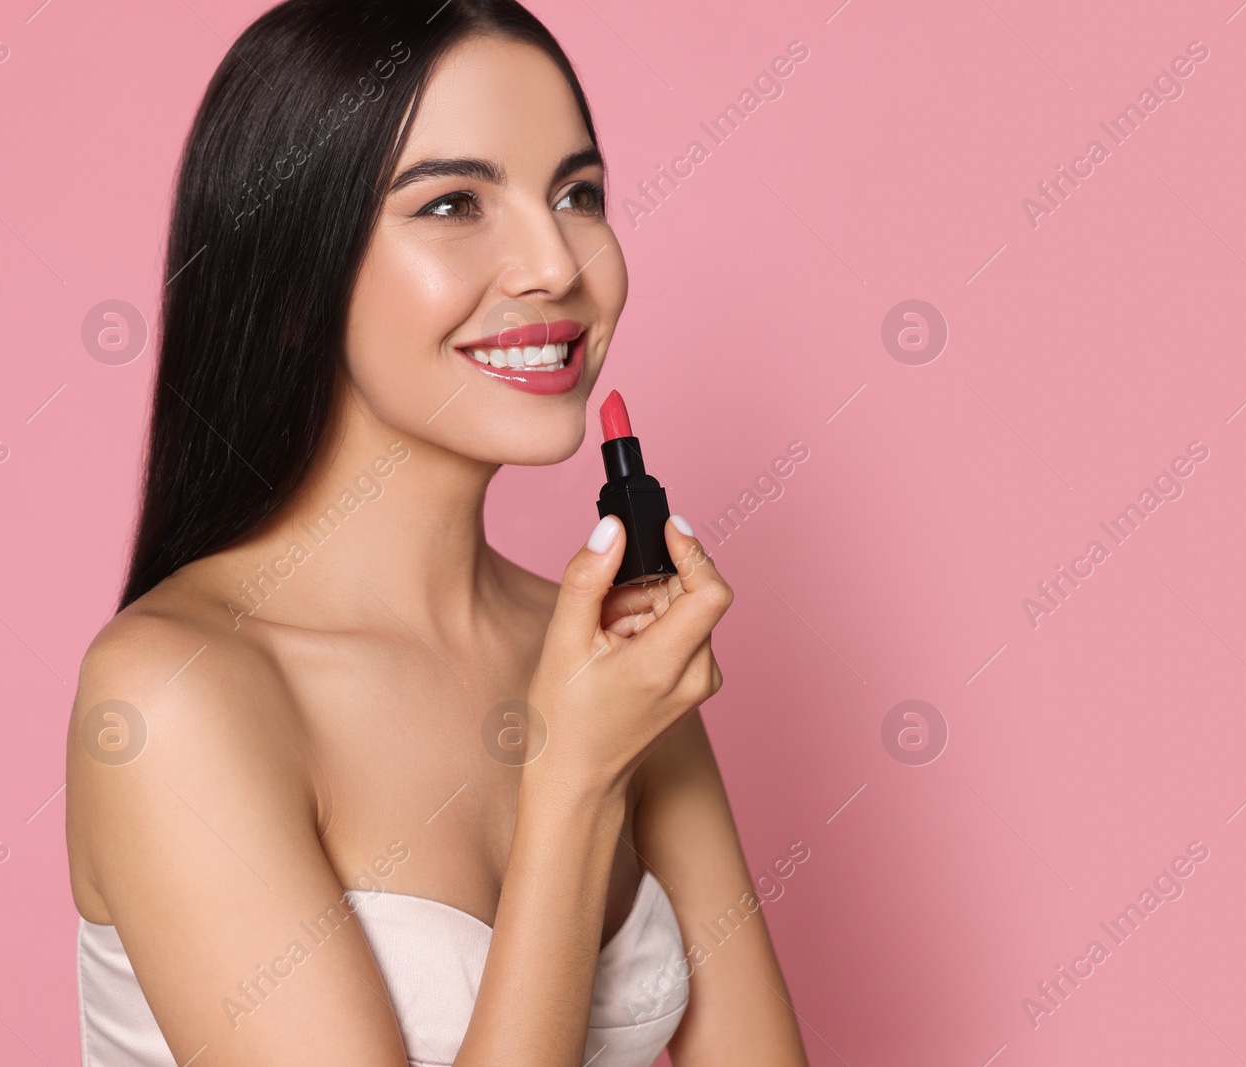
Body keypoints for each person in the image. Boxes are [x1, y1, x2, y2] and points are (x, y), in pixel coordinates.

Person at [64, 2, 809, 1063]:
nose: (555, 262)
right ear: (290, 278)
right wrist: (573, 782)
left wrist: (607, 738)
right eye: (455, 202)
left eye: (576, 193)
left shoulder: (608, 658)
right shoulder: (170, 695)